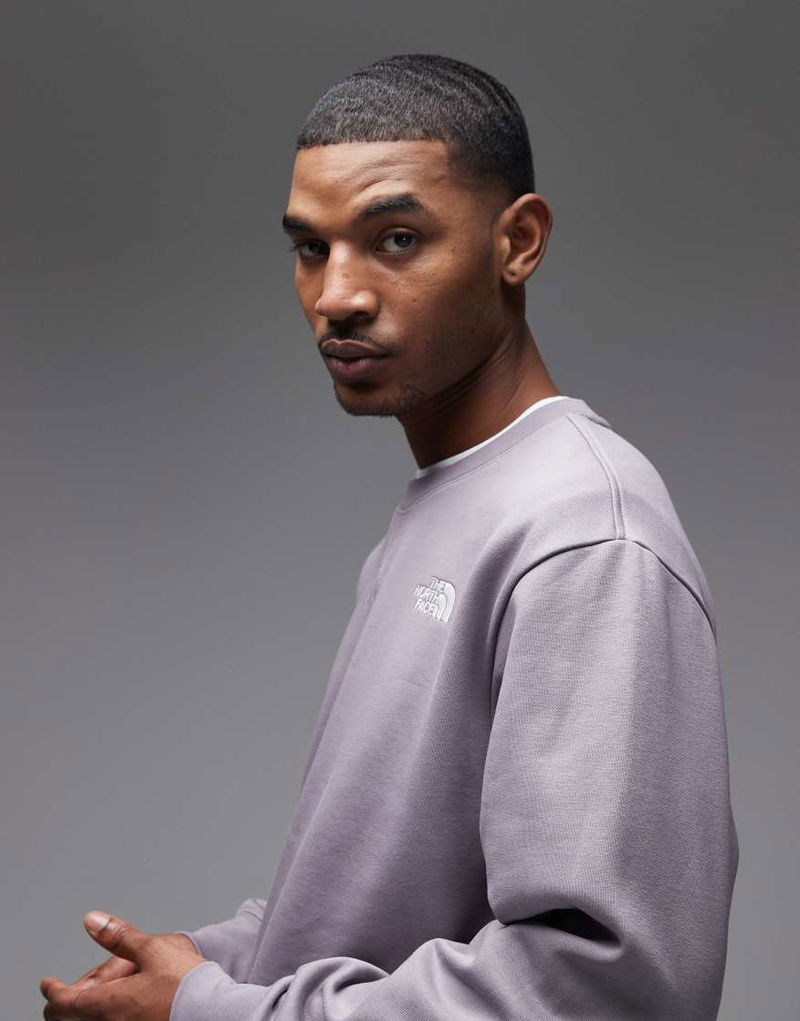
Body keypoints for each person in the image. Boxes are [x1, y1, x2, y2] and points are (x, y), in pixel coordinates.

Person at [40, 52, 739, 1021]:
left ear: (518, 242)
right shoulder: (445, 508)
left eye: (396, 239)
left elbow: (603, 989)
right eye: (310, 247)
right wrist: (203, 964)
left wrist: (212, 1010)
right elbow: (383, 903)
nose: (337, 294)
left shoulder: (584, 533)